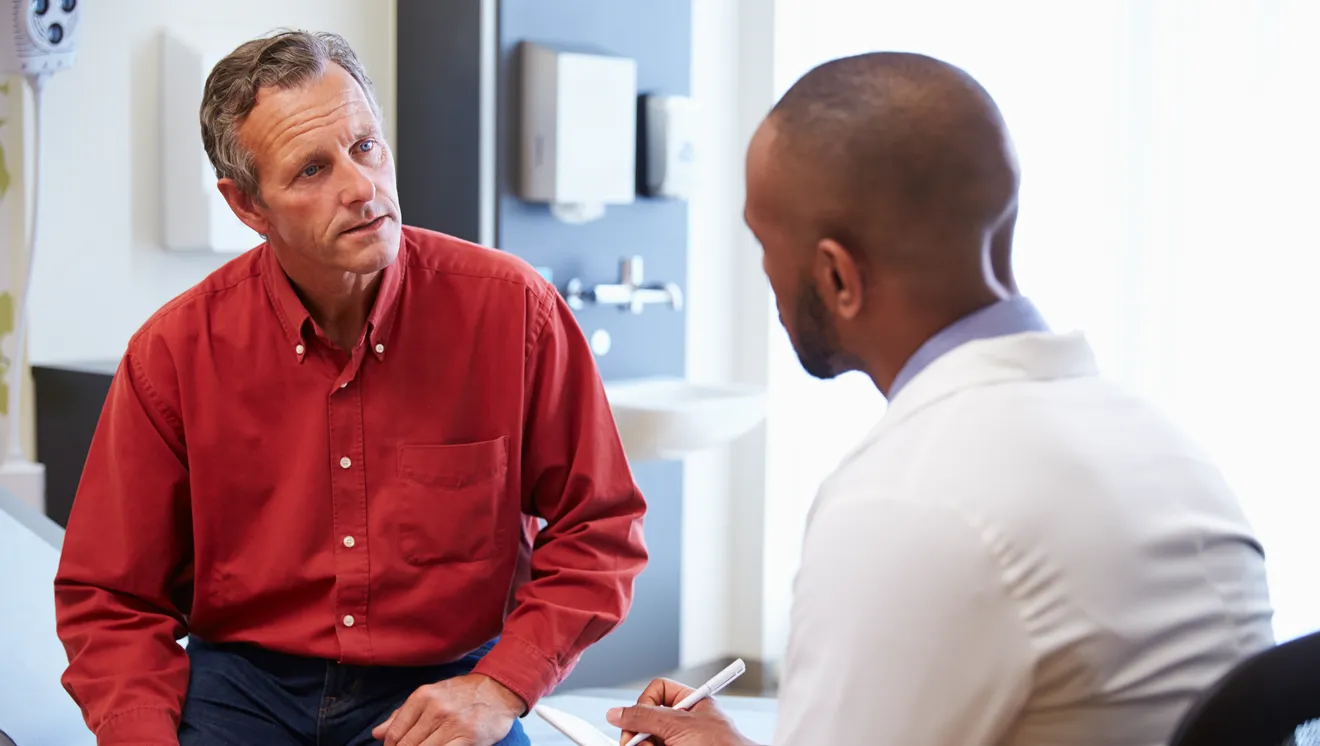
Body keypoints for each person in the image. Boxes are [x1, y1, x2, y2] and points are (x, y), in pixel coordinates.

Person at [608, 51, 1275, 745]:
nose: (766, 278)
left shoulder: (909, 501)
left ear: (838, 277)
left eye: (763, 243)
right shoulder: (1164, 449)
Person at [53, 30, 648, 746]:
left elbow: (600, 529)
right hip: (244, 689)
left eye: (365, 146)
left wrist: (500, 685)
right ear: (247, 207)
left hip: (442, 681)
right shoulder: (173, 353)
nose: (361, 186)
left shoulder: (515, 310)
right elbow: (111, 597)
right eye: (311, 169)